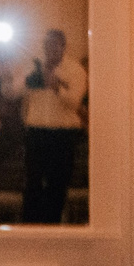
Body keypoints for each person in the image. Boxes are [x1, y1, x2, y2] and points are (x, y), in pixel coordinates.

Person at [19, 28, 86, 224]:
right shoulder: (33, 68)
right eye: (46, 45)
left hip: (63, 135)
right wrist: (9, 75)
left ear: (63, 46)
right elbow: (12, 91)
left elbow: (75, 102)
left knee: (57, 185)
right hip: (36, 132)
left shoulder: (75, 71)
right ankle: (30, 228)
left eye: (53, 45)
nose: (49, 49)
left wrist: (57, 88)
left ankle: (52, 227)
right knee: (33, 182)